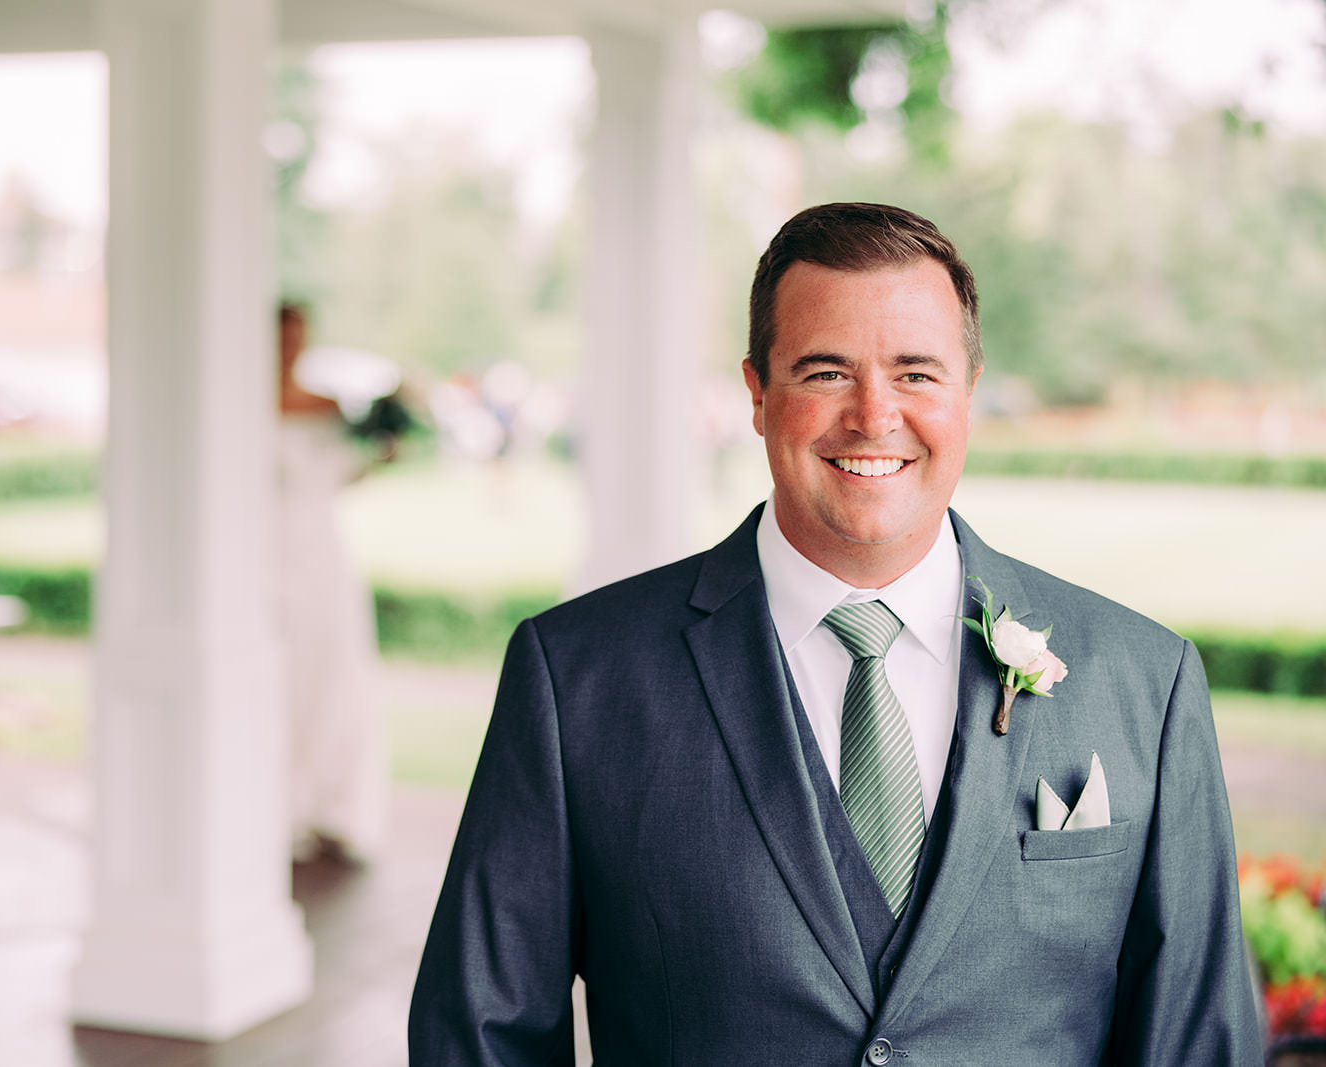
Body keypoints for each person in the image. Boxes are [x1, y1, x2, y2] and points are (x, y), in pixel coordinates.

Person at [409, 203, 1262, 1064]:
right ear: (756, 392)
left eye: (916, 374)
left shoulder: (1145, 681)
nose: (872, 414)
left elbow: (1198, 1040)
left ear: (968, 387)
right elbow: (482, 1034)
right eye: (825, 372)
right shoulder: (576, 679)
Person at [275, 302, 385, 864]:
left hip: (321, 554)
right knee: (279, 677)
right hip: (262, 556)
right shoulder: (234, 401)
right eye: (282, 335)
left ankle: (330, 802)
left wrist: (387, 447)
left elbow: (344, 474)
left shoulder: (328, 406)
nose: (291, 346)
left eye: (299, 336)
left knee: (332, 670)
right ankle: (275, 803)